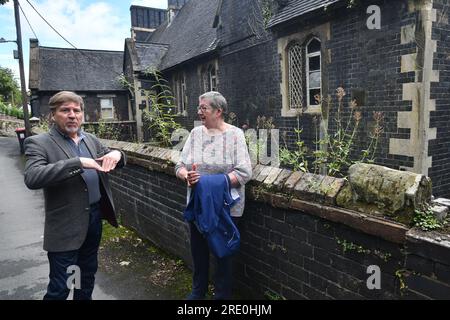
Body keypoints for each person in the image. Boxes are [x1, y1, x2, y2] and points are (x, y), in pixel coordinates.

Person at [23, 91, 125, 300]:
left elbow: (111, 157)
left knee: (85, 278)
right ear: (53, 115)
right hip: (65, 226)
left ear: (82, 114)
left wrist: (118, 154)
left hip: (94, 219)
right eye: (65, 110)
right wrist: (77, 163)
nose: (72, 115)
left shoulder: (90, 140)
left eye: (76, 110)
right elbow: (32, 177)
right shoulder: (39, 143)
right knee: (61, 287)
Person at [175, 91, 252, 300]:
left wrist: (210, 184)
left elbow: (244, 172)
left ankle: (222, 296)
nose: (199, 112)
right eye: (199, 108)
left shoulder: (235, 135)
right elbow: (179, 165)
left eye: (203, 108)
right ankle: (198, 291)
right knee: (199, 253)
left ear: (218, 111)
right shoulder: (195, 134)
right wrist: (186, 176)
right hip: (198, 206)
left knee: (224, 255)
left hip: (227, 208)